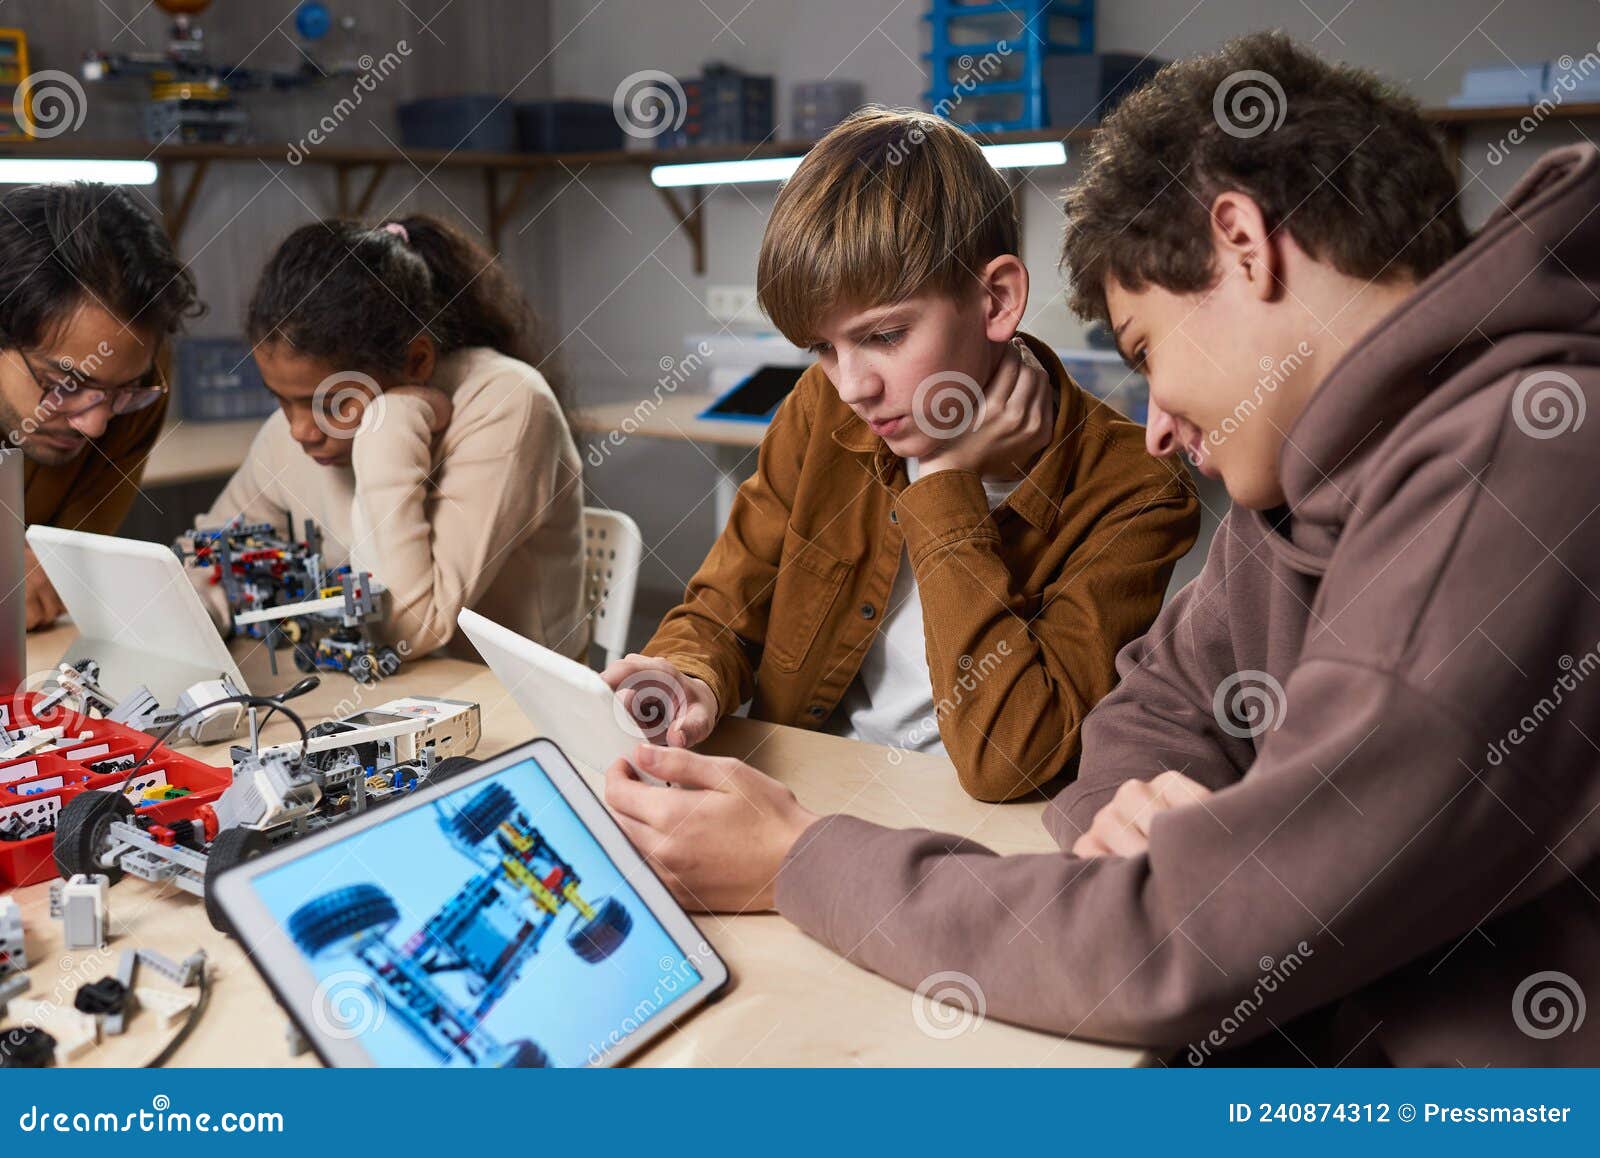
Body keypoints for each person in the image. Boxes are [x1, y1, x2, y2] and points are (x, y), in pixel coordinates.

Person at [602, 32, 1600, 1065]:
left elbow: (1173, 944)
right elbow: (1152, 707)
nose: (1157, 422)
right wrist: (1134, 809)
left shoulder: (1527, 466)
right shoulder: (1312, 471)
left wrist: (800, 862)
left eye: (1146, 351)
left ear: (1243, 244)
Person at [603, 107, 1199, 801]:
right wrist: (690, 676)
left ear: (997, 300)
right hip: (807, 788)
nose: (852, 387)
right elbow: (723, 611)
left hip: (966, 824)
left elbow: (1010, 762)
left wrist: (947, 482)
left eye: (884, 336)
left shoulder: (1137, 489)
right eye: (823, 349)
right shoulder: (821, 407)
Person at [199, 215, 586, 660]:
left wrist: (388, 427)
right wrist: (205, 607)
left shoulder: (509, 403)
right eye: (281, 400)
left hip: (508, 696)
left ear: (416, 362)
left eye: (333, 403)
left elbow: (407, 630)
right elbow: (210, 552)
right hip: (383, 690)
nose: (299, 431)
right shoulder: (299, 428)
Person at [0, 182, 200, 629]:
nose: (95, 426)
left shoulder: (141, 377)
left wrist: (40, 578)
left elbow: (57, 576)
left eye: (121, 391)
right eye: (64, 384)